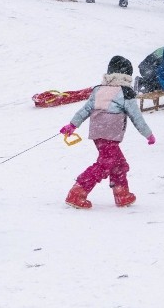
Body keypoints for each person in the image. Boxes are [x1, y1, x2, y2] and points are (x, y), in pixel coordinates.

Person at [61, 56, 155, 209]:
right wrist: (148, 134)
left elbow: (85, 109)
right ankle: (77, 192)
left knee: (118, 163)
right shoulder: (126, 92)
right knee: (105, 164)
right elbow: (136, 117)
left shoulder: (99, 89)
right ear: (128, 75)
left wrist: (72, 125)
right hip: (110, 134)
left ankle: (122, 194)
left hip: (97, 133)